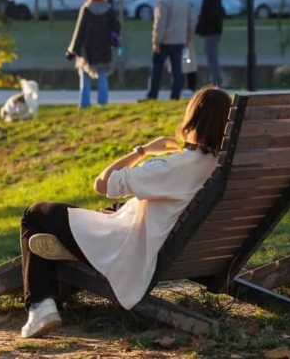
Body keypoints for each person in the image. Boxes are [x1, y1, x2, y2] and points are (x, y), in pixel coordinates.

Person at [17, 86, 232, 338]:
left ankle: (40, 305)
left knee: (35, 215)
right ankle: (68, 250)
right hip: (164, 241)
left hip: (129, 251)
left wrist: (144, 151)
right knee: (107, 211)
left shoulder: (173, 167)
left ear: (192, 118)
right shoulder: (220, 168)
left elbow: (103, 184)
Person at [67, 0, 121, 108]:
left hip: (87, 49)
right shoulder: (109, 10)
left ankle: (84, 103)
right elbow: (117, 28)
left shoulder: (86, 9)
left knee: (84, 75)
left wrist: (72, 50)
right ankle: (103, 102)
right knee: (102, 74)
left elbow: (79, 30)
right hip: (104, 48)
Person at [143, 0, 195, 101]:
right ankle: (175, 95)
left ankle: (152, 95)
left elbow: (160, 23)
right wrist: (188, 37)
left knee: (157, 70)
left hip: (165, 41)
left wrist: (156, 41)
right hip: (180, 39)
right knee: (177, 70)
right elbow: (190, 20)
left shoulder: (163, 1)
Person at [195, 0, 224, 87]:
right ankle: (216, 80)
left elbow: (211, 15)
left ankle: (217, 81)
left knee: (212, 57)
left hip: (211, 32)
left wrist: (203, 27)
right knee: (211, 57)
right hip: (212, 31)